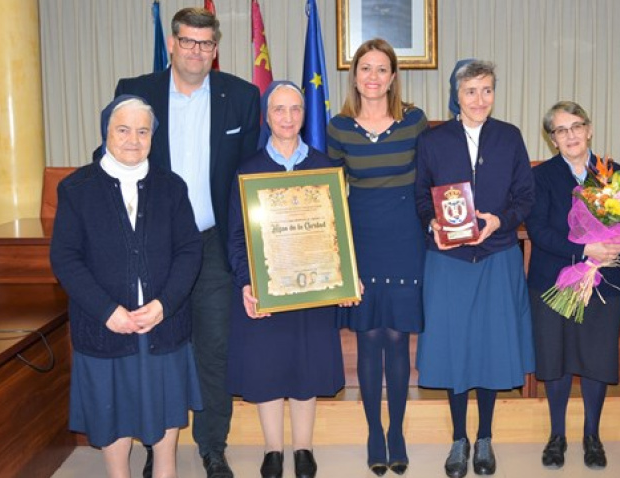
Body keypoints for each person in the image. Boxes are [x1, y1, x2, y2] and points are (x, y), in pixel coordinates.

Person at [110, 7, 260, 478]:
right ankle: (157, 446)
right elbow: (114, 154)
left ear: (216, 48)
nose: (197, 51)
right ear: (172, 43)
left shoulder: (242, 96)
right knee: (157, 348)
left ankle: (213, 447)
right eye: (188, 41)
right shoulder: (137, 92)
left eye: (206, 43)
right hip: (154, 246)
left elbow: (249, 176)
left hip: (213, 244)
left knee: (214, 348)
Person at [50, 96, 203, 478]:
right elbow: (66, 259)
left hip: (163, 325)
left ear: (152, 136)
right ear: (106, 132)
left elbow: (189, 250)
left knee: (167, 413)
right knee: (112, 416)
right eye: (123, 130)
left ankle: (165, 472)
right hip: (104, 327)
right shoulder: (76, 188)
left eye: (142, 131)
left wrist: (164, 305)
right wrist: (107, 311)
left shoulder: (171, 187)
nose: (133, 139)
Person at [414, 59, 535, 478]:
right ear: (456, 95)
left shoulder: (509, 137)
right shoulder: (432, 140)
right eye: (471, 91)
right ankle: (458, 439)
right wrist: (433, 222)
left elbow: (526, 196)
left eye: (487, 90)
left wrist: (501, 220)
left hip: (497, 255)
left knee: (490, 347)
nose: (480, 99)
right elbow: (421, 197)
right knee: (454, 348)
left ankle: (484, 437)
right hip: (449, 260)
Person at [227, 81, 345, 478]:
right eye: (279, 109)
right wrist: (248, 282)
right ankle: (273, 450)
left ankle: (304, 448)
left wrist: (345, 276)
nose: (288, 117)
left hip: (313, 285)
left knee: (306, 364)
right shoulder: (248, 170)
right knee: (268, 366)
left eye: (295, 109)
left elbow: (340, 231)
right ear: (267, 116)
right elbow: (237, 236)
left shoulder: (325, 168)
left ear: (304, 115)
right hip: (268, 289)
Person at [326, 38, 428, 476]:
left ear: (393, 77)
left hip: (406, 239)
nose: (373, 77)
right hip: (361, 240)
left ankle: (397, 432)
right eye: (365, 68)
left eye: (381, 69)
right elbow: (332, 192)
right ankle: (373, 432)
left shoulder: (414, 121)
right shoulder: (338, 127)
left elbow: (432, 178)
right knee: (368, 336)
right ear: (355, 76)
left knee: (397, 338)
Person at [524, 101, 620, 470]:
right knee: (556, 359)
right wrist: (585, 249)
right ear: (552, 139)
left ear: (589, 130)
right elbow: (539, 231)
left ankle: (592, 436)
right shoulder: (540, 177)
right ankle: (557, 436)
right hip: (553, 281)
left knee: (595, 359)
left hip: (604, 281)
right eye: (561, 130)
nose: (570, 135)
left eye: (576, 126)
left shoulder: (613, 173)